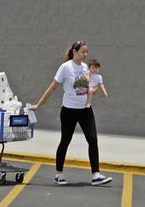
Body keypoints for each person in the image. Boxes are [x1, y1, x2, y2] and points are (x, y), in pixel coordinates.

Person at [31, 41, 112, 186]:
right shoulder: (66, 67)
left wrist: (92, 91)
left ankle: (96, 175)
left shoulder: (86, 67)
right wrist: (38, 105)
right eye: (83, 52)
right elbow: (53, 87)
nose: (85, 54)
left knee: (93, 140)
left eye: (86, 52)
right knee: (65, 141)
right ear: (74, 52)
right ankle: (59, 174)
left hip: (85, 110)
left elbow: (85, 87)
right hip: (69, 111)